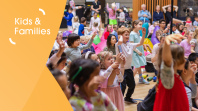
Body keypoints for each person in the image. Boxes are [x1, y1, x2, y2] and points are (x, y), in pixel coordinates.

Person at [153, 34, 188, 111]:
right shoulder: (169, 76)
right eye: (182, 57)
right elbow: (167, 60)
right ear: (174, 60)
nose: (185, 60)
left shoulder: (176, 75)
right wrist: (166, 42)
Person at [115, 27, 146, 103]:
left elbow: (141, 43)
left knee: (132, 85)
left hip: (128, 68)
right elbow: (120, 41)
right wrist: (120, 36)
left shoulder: (130, 44)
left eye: (128, 35)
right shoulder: (118, 44)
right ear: (121, 36)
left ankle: (127, 97)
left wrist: (144, 34)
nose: (128, 36)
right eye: (126, 35)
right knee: (123, 86)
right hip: (120, 70)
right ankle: (119, 101)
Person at [130, 20, 149, 85]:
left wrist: (144, 34)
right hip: (135, 53)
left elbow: (141, 42)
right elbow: (131, 45)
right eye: (140, 24)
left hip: (139, 51)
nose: (141, 26)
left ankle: (141, 79)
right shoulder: (132, 34)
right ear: (135, 25)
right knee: (137, 67)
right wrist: (138, 51)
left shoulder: (138, 33)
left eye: (142, 24)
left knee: (139, 65)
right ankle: (130, 80)